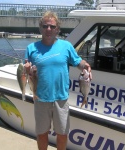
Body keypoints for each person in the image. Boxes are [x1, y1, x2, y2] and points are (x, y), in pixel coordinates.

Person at [24, 11, 92, 150]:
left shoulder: (66, 46)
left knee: (62, 134)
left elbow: (78, 62)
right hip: (41, 98)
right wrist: (26, 69)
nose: (48, 29)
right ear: (40, 28)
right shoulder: (31, 48)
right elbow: (27, 73)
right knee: (42, 133)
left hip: (61, 99)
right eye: (45, 26)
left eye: (52, 27)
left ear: (57, 29)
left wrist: (86, 66)